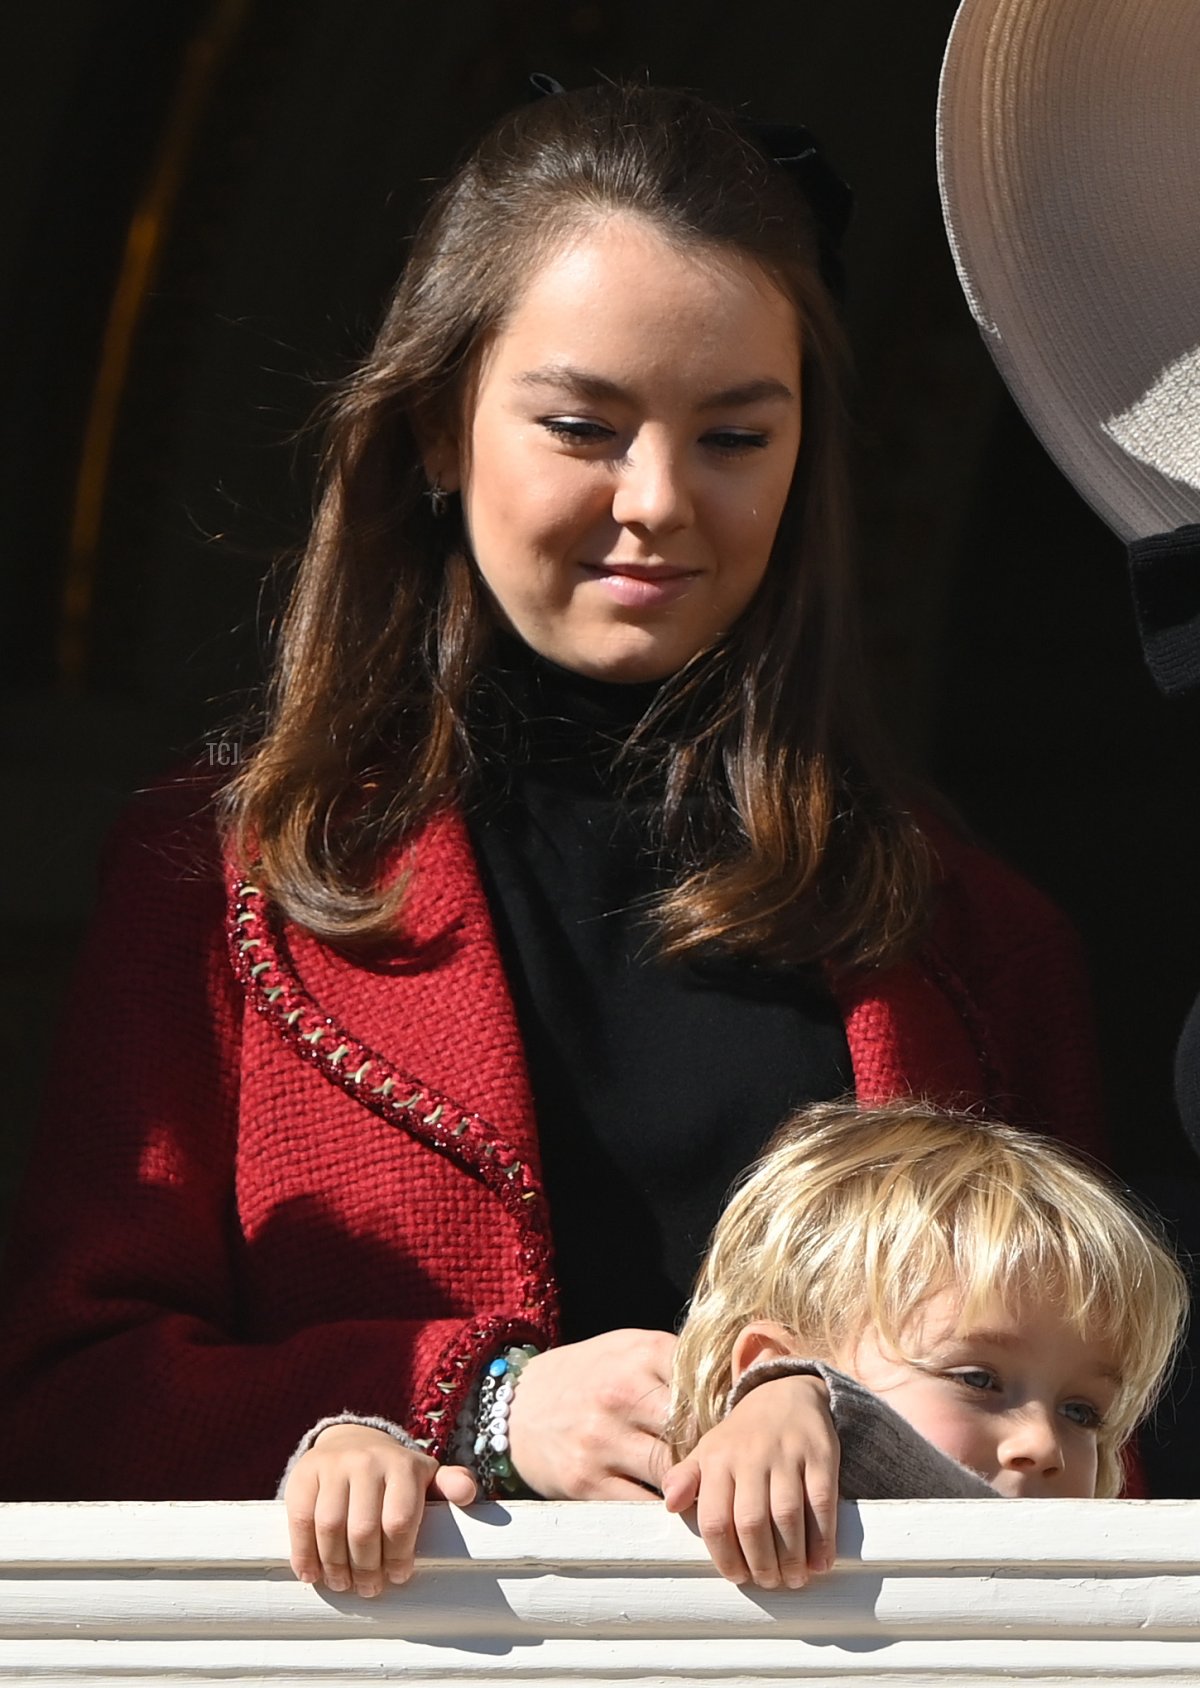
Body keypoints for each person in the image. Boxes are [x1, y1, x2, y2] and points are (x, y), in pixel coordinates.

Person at [0, 82, 1103, 1508]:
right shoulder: (220, 883)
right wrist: (483, 1406)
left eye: (734, 436)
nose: (657, 497)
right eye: (584, 425)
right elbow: (63, 1406)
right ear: (437, 433)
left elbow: (1099, 1453)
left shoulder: (979, 941)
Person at [282, 1101, 1186, 1595]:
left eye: (1083, 1411)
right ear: (760, 1364)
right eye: (979, 1379)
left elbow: (955, 1514)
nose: (1044, 1444)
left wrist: (806, 1399)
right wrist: (358, 1455)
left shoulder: (1073, 1593)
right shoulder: (668, 1485)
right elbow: (479, 1500)